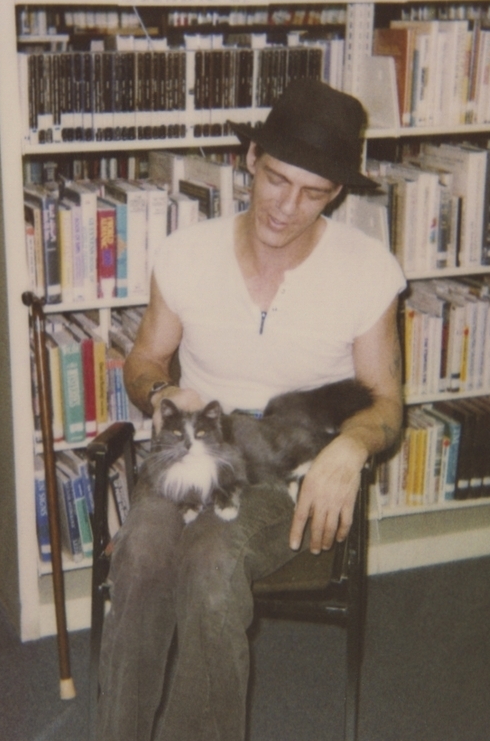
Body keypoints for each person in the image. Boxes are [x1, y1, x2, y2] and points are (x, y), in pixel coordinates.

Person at [96, 78, 406, 741]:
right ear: (250, 158)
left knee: (211, 565)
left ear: (338, 193)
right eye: (275, 179)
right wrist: (161, 393)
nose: (286, 208)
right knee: (143, 549)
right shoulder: (184, 254)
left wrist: (349, 449)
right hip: (196, 452)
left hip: (285, 467)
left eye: (313, 192)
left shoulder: (368, 270)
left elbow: (386, 404)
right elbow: (142, 362)